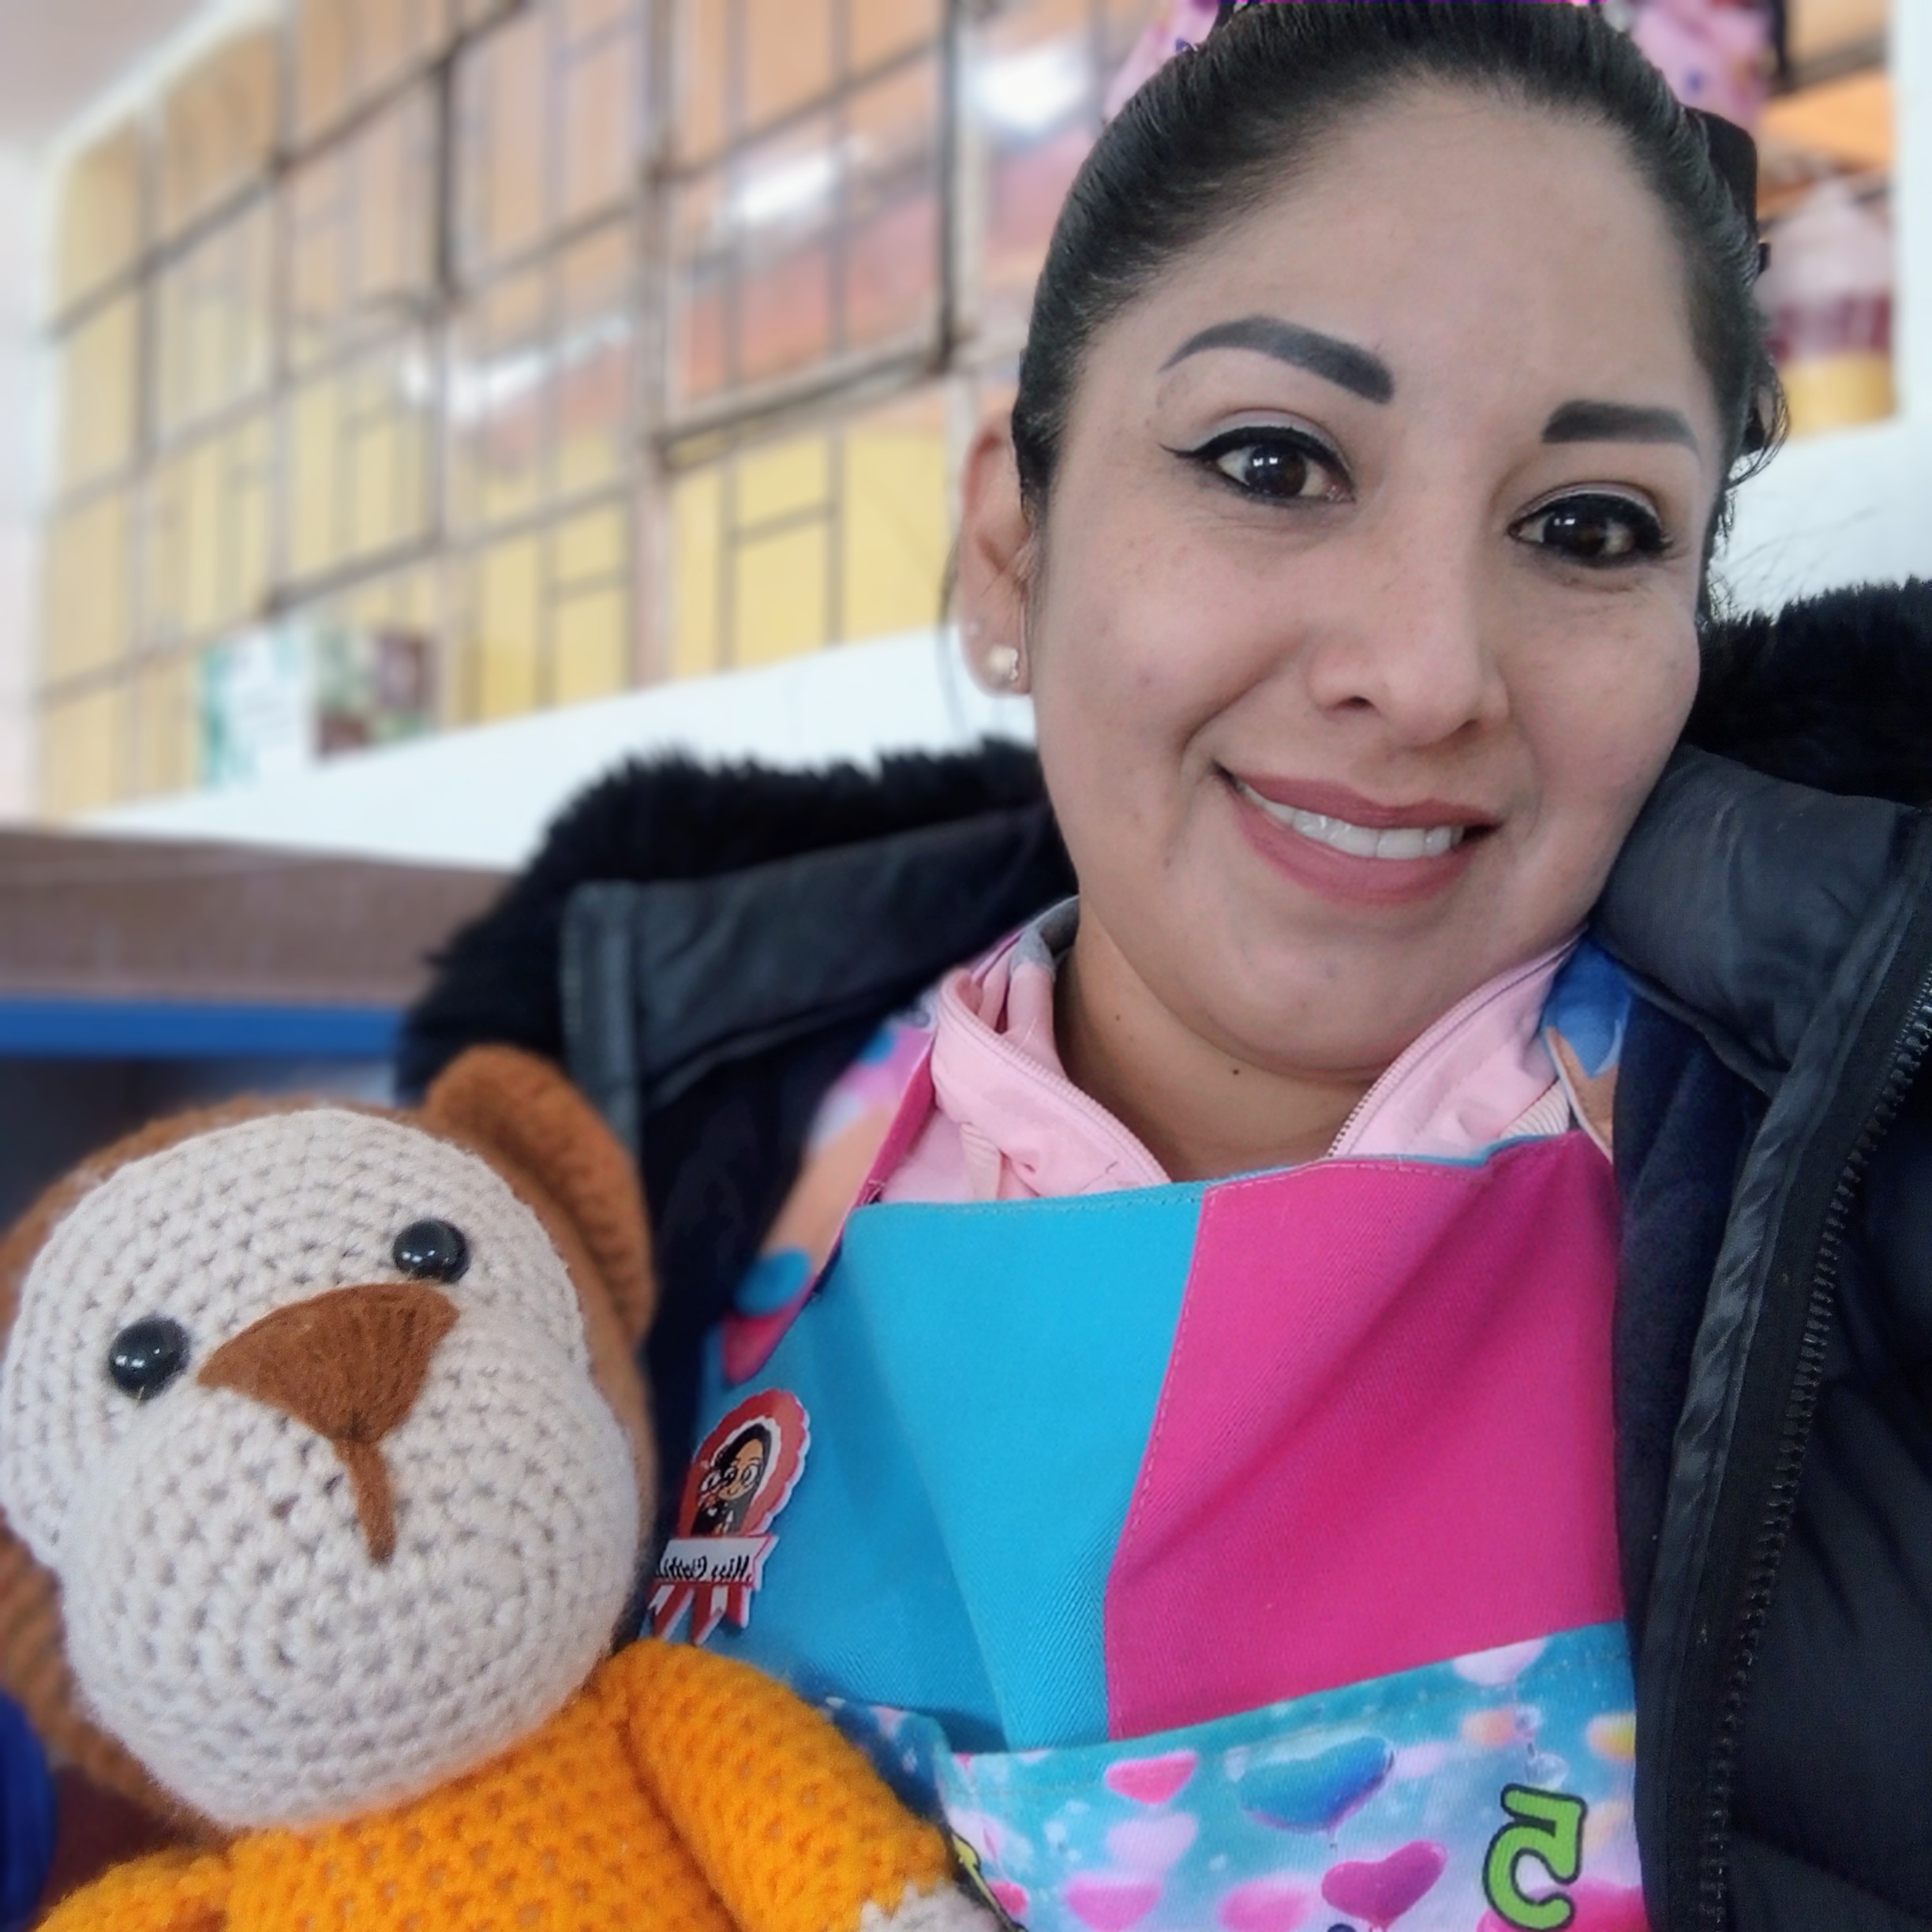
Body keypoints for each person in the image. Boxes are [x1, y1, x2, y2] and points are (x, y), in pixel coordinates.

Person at [403, 6, 1932, 1929]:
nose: (1427, 672)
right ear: (1012, 544)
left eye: (1588, 527)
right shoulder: (649, 1177)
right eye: (1274, 461)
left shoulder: (1861, 1214)